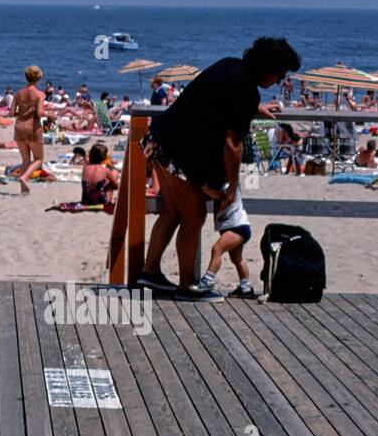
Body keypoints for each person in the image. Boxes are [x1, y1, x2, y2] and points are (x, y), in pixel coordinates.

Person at [136, 37, 301, 292]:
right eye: (279, 75)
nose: (278, 82)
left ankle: (149, 272)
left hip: (158, 140)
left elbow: (216, 97)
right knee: (194, 214)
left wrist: (253, 106)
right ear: (268, 67)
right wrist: (233, 185)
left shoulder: (229, 66)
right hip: (178, 151)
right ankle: (187, 284)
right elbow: (232, 144)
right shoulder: (246, 89)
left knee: (172, 211)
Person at [187, 187, 256, 300]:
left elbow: (224, 196)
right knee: (237, 259)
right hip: (236, 226)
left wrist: (206, 190)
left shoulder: (229, 182)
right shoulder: (225, 181)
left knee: (217, 249)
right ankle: (246, 288)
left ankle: (208, 280)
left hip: (236, 226)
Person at [12, 65, 46, 196]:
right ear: (38, 78)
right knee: (38, 159)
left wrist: (23, 112)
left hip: (19, 127)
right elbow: (39, 113)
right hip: (32, 128)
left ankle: (23, 189)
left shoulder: (18, 93)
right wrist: (49, 115)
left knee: (25, 160)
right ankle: (24, 178)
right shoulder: (40, 94)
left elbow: (11, 112)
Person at [81, 141, 119, 209]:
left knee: (98, 183)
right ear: (104, 158)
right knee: (114, 173)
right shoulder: (105, 170)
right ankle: (108, 199)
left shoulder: (85, 168)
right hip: (101, 201)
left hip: (85, 201)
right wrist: (108, 181)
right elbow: (117, 186)